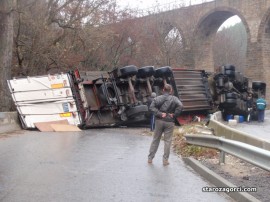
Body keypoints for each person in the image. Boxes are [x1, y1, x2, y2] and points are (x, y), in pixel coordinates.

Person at [148, 84, 183, 166]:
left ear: (163, 90)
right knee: (167, 141)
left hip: (159, 121)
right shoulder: (175, 99)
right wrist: (174, 115)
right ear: (171, 90)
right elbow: (180, 106)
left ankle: (150, 158)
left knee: (155, 140)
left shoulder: (158, 98)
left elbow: (151, 107)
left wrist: (159, 113)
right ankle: (165, 160)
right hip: (170, 122)